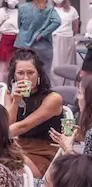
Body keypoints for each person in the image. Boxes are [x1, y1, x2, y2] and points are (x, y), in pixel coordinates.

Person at [6, 47, 64, 176]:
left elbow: (23, 126)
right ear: (13, 75)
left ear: (39, 74)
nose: (26, 78)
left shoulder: (52, 99)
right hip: (19, 147)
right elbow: (8, 125)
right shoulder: (10, 94)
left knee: (1, 159)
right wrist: (15, 102)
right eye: (20, 73)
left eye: (31, 73)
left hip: (45, 152)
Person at [17, 0, 61, 77]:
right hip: (43, 46)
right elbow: (57, 21)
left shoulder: (22, 8)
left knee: (25, 73)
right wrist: (43, 33)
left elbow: (19, 25)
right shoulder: (47, 8)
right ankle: (44, 91)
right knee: (44, 73)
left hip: (24, 45)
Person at [0, 0, 20, 84]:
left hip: (18, 40)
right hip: (6, 39)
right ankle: (0, 90)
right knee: (4, 68)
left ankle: (14, 91)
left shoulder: (20, 11)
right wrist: (2, 21)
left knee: (17, 68)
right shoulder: (1, 11)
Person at [51, 0, 80, 70]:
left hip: (68, 41)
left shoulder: (72, 10)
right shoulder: (50, 10)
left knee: (69, 66)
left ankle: (70, 83)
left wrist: (67, 35)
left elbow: (75, 28)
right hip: (55, 41)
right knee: (56, 65)